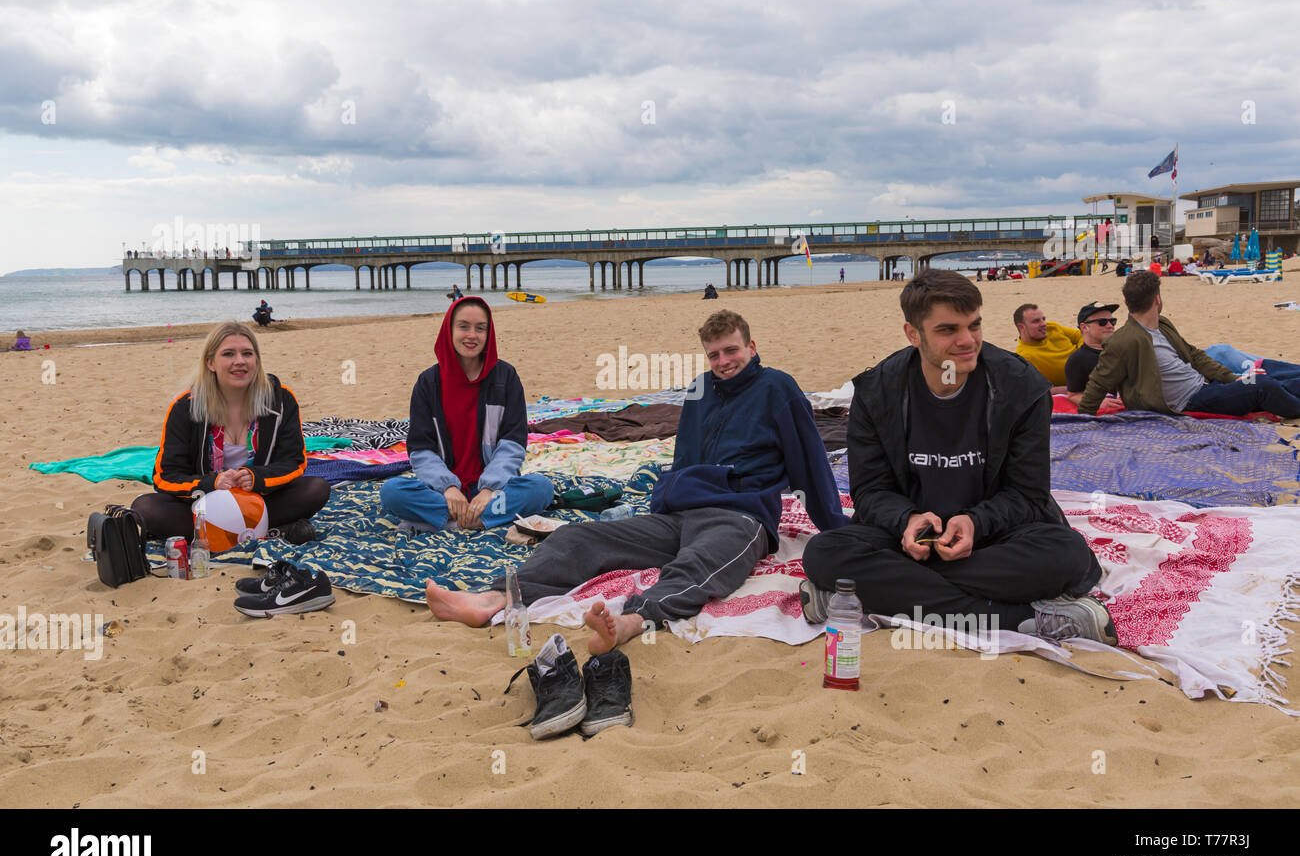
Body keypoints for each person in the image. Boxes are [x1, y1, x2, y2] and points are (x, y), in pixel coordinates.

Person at [424, 309, 848, 653]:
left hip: (739, 515)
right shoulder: (701, 390)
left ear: (752, 348)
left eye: (731, 350)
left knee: (698, 564)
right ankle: (494, 599)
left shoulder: (778, 388)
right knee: (577, 538)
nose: (723, 362)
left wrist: (835, 529)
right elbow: (684, 459)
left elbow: (810, 463)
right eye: (714, 355)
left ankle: (630, 620)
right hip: (679, 512)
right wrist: (666, 500)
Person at [800, 269, 1113, 644]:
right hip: (912, 538)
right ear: (913, 334)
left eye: (974, 325)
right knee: (823, 553)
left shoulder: (1020, 386)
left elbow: (1028, 494)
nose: (967, 341)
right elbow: (869, 490)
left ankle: (862, 593)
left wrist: (975, 522)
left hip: (995, 535)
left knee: (1067, 554)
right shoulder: (878, 391)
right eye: (948, 330)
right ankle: (1017, 619)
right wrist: (907, 519)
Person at [132, 321, 329, 543]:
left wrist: (256, 478)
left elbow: (294, 462)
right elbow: (166, 476)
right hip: (205, 507)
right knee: (145, 507)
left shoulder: (281, 400)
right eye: (228, 354)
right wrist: (212, 484)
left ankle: (229, 533)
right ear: (210, 363)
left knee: (316, 488)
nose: (240, 361)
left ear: (257, 360)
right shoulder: (185, 407)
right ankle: (270, 530)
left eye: (247, 353)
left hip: (261, 500)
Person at [379, 297, 553, 532]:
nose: (472, 335)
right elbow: (420, 449)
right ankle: (479, 519)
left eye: (480, 328)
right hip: (441, 493)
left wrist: (489, 489)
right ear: (449, 330)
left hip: (494, 491)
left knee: (541, 488)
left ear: (488, 334)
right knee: (392, 493)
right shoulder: (428, 383)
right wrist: (448, 487)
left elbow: (513, 443)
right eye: (463, 326)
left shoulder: (505, 377)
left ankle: (452, 522)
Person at [1078, 271, 1300, 418]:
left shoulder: (1162, 324)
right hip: (1190, 401)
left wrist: (1231, 378)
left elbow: (1194, 355)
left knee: (1283, 381)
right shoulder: (1122, 341)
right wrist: (1083, 418)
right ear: (1157, 299)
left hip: (1207, 386)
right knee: (1263, 385)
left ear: (1127, 302)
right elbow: (1099, 382)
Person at [1063, 302, 1124, 410]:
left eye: (1112, 321)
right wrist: (1097, 402)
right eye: (1102, 322)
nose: (1110, 326)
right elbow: (1074, 395)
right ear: (1084, 327)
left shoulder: (1123, 350)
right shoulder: (1077, 360)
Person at [1012, 304, 1080, 393]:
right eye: (1036, 321)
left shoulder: (1052, 327)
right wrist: (1068, 389)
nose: (1044, 324)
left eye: (1043, 319)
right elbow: (1035, 391)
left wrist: (1083, 355)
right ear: (1021, 327)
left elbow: (1080, 335)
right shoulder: (1025, 357)